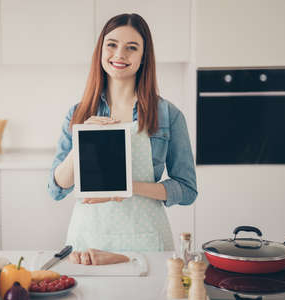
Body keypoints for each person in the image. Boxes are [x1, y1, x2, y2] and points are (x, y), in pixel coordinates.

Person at [47, 13, 197, 252]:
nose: (119, 55)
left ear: (143, 57)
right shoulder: (79, 113)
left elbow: (187, 190)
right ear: (101, 50)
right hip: (88, 241)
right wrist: (82, 142)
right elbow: (55, 189)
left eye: (131, 47)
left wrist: (127, 187)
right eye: (112, 45)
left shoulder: (168, 115)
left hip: (147, 240)